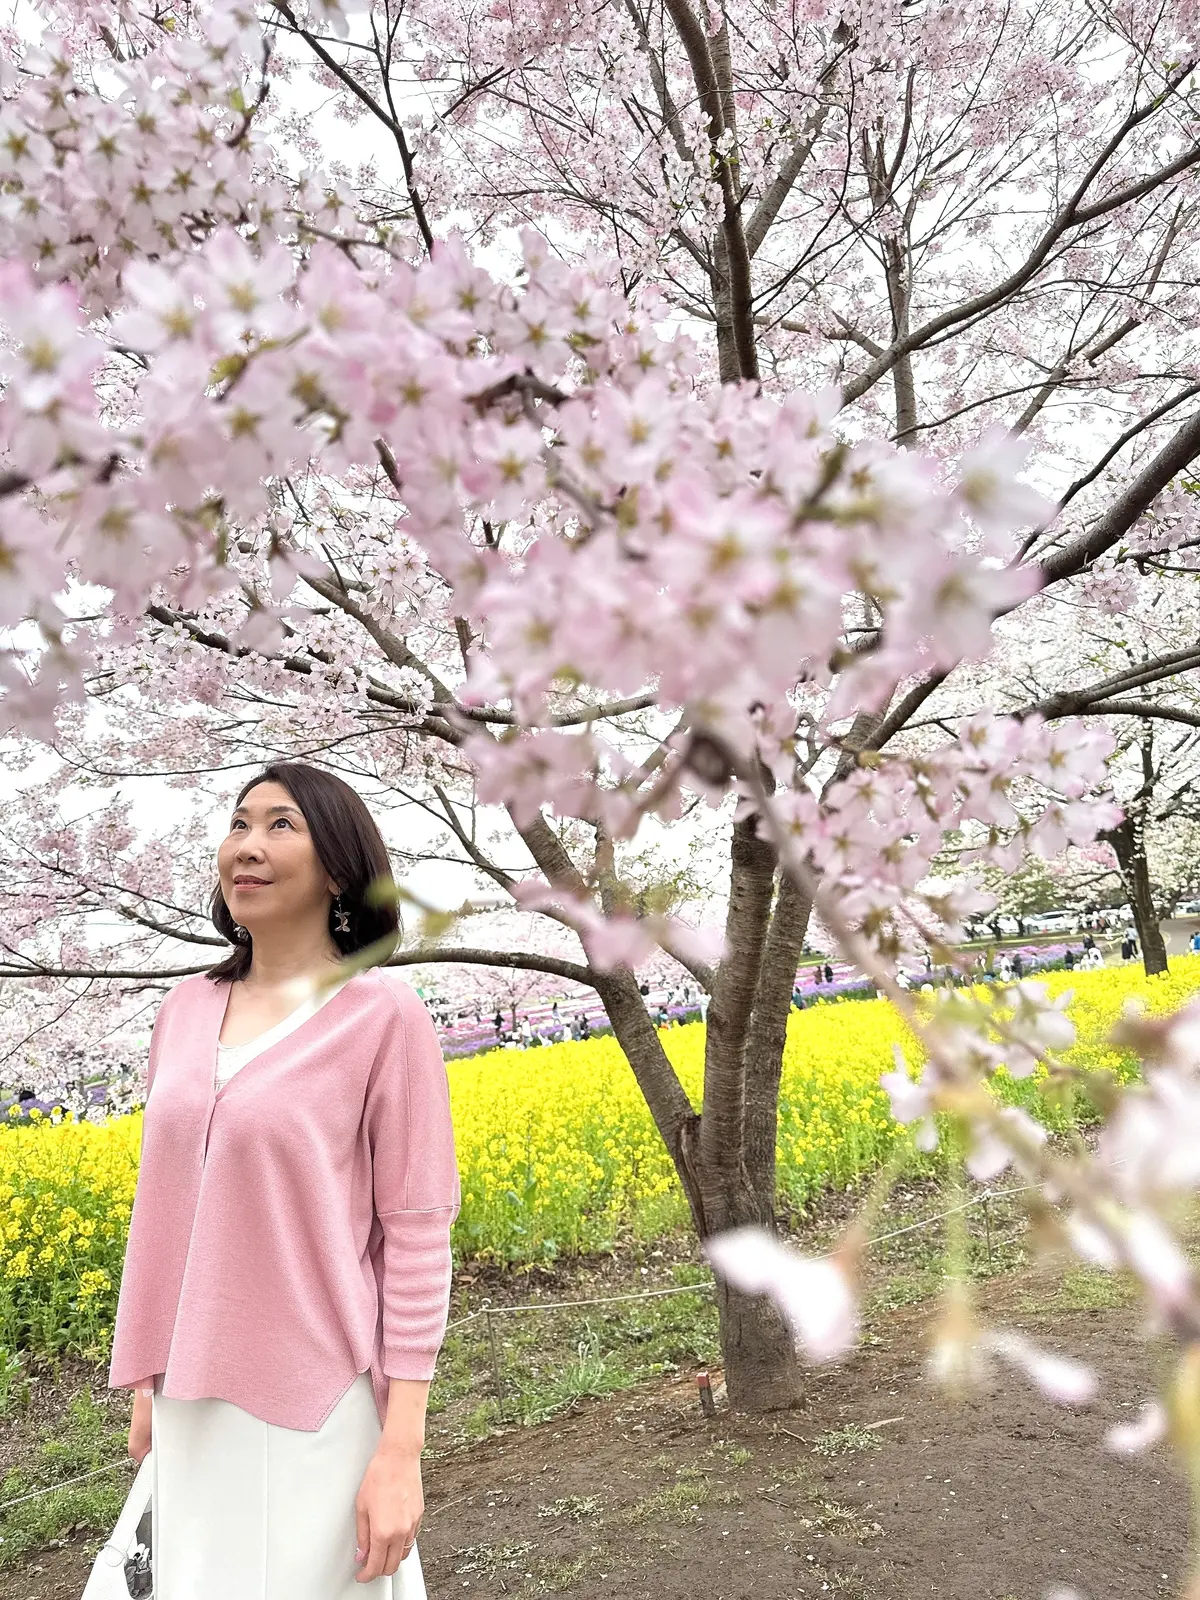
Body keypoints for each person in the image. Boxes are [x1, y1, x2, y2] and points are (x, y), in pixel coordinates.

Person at [108, 762, 458, 1598]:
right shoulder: (184, 1009)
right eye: (238, 824)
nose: (247, 847)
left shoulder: (385, 1019)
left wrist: (400, 1449)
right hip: (189, 1402)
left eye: (280, 826)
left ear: (338, 868)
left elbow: (415, 1233)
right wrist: (151, 1378)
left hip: (316, 1404)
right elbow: (169, 1210)